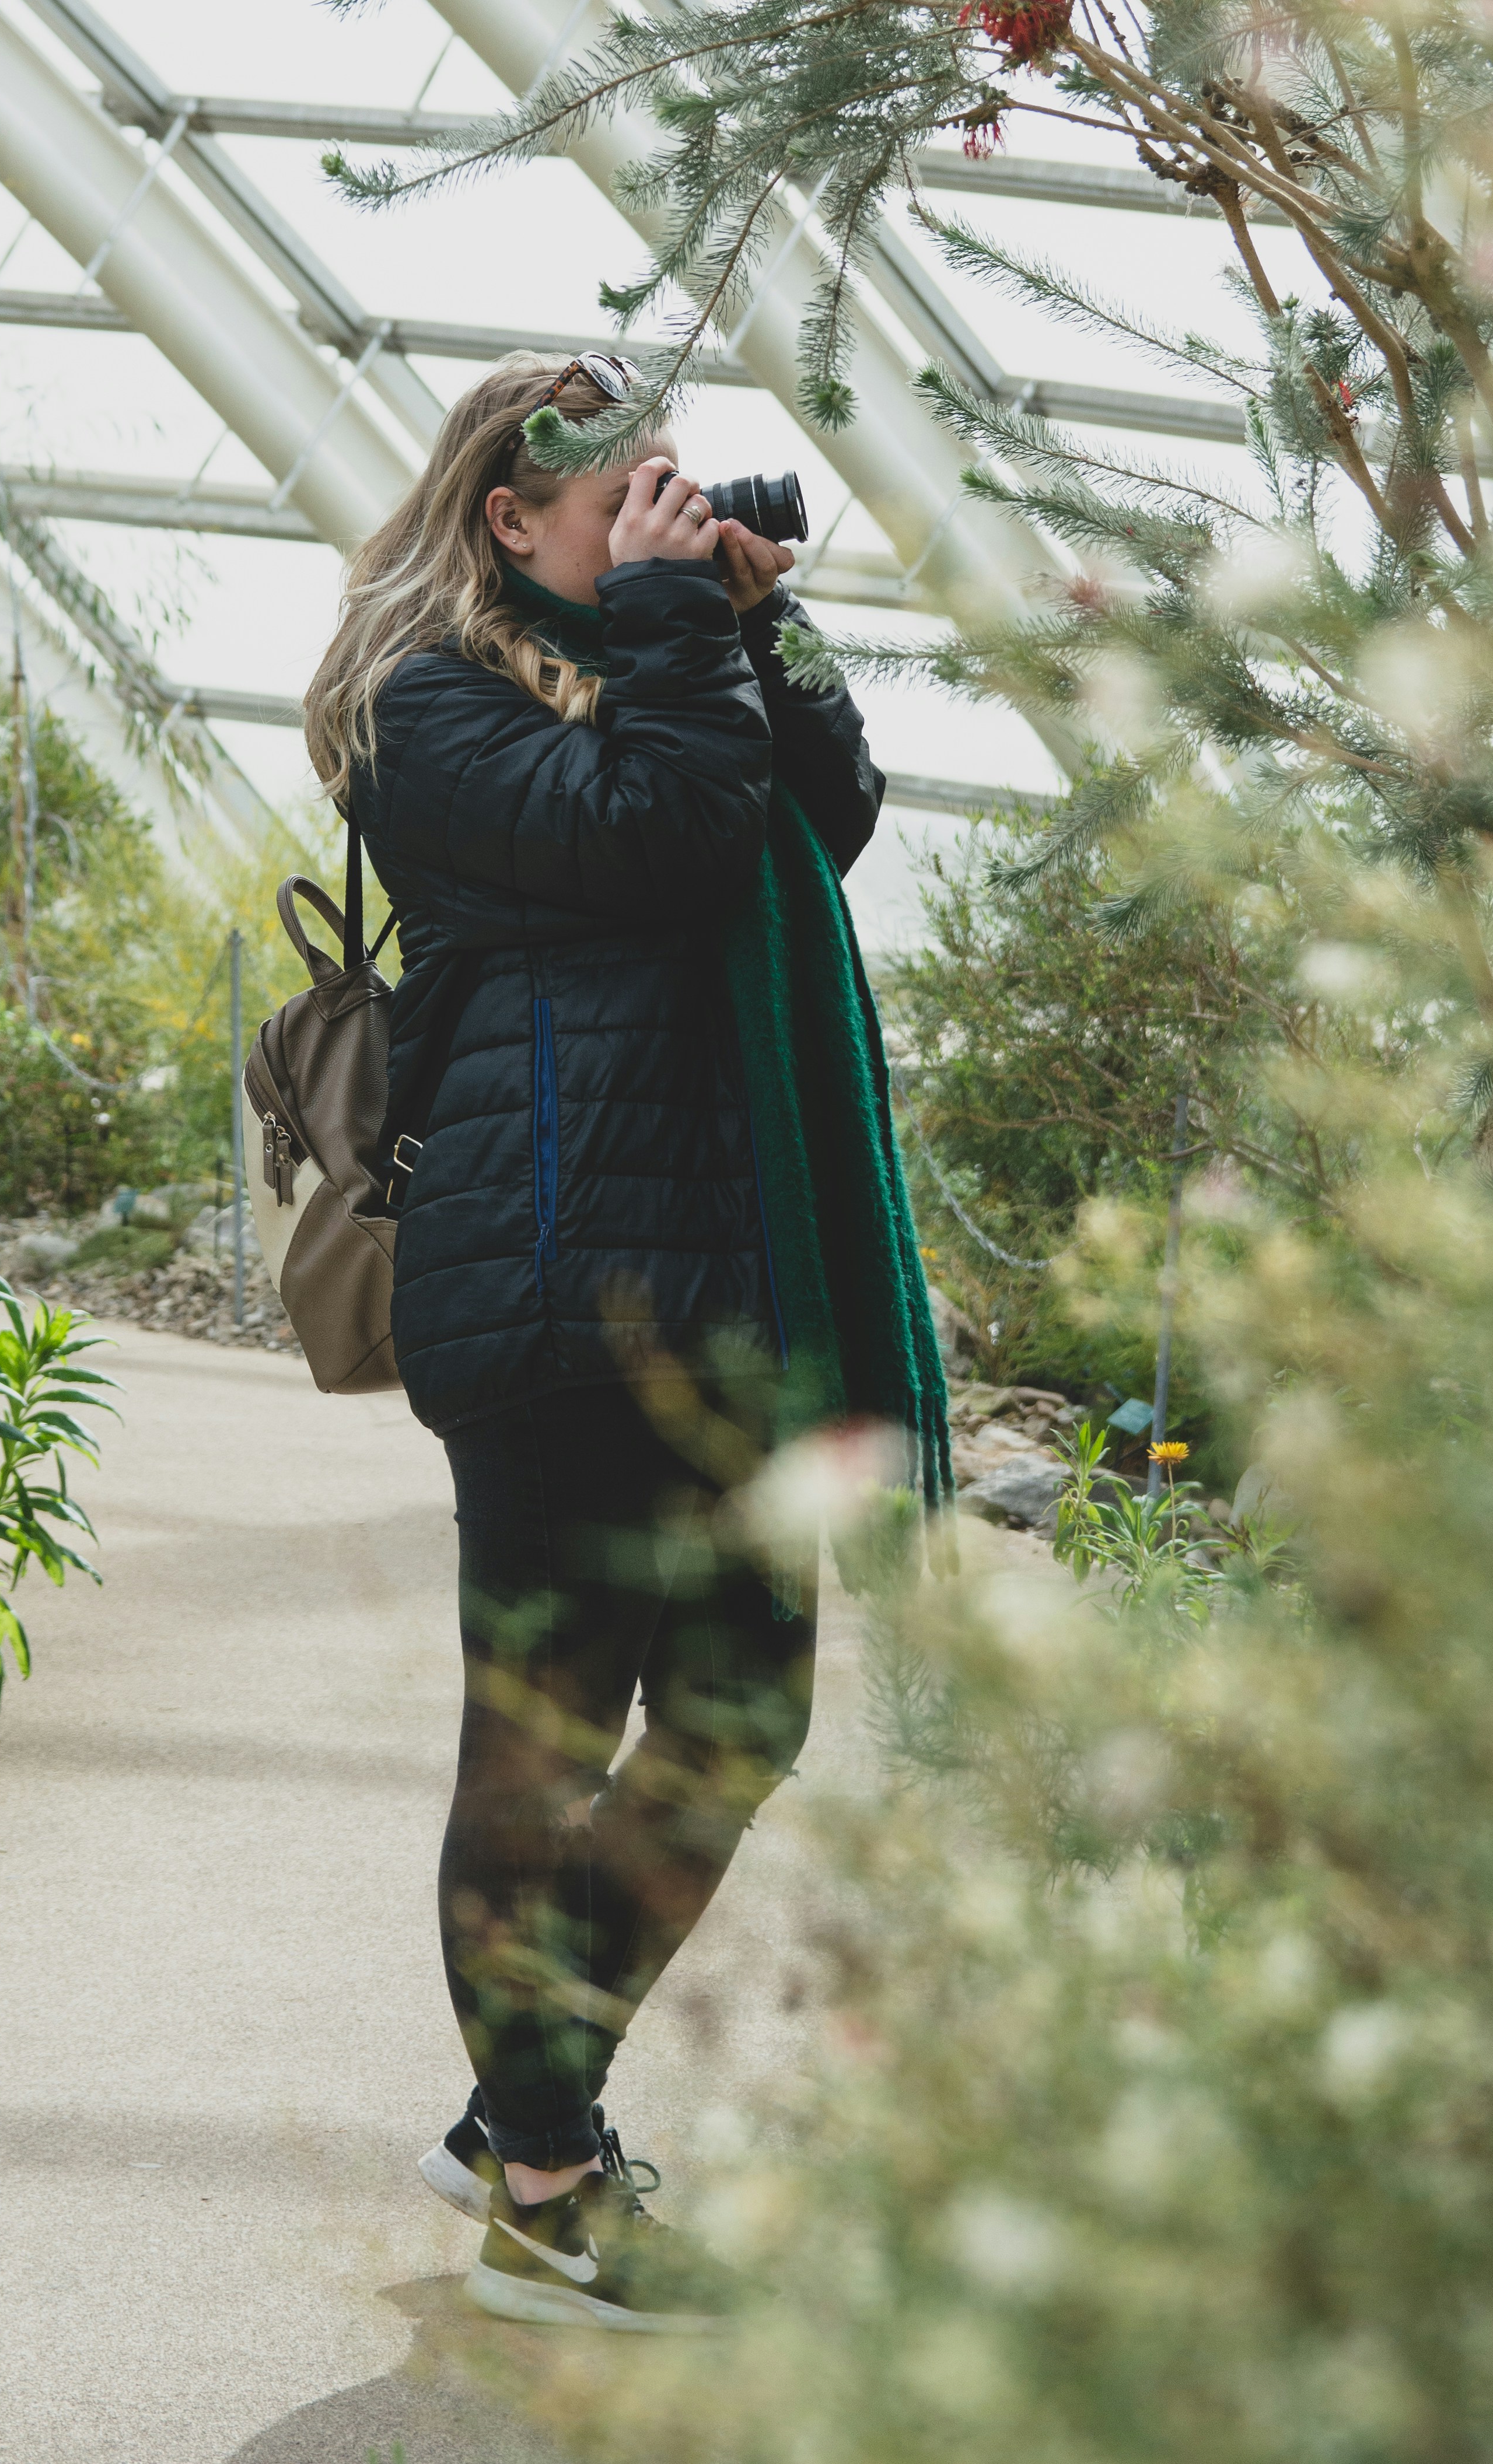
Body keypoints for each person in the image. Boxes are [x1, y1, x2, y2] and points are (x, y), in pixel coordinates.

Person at [302, 352, 948, 2337]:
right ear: (510, 519)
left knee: (743, 1717)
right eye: (624, 499)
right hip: (561, 1288)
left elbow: (825, 816)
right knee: (547, 1741)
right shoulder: (430, 708)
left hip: (731, 1292)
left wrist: (754, 612)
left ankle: (520, 2101)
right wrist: (683, 625)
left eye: (676, 486)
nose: (667, 516)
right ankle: (549, 2196)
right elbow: (664, 835)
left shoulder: (675, 655)